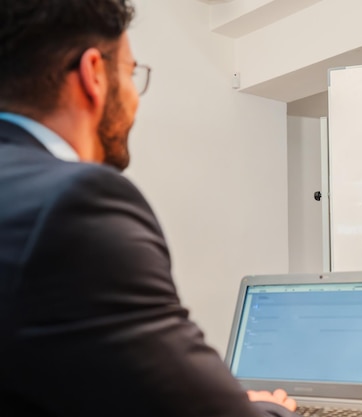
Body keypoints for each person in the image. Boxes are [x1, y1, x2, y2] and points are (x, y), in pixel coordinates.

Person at [0, 1, 300, 416]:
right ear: (94, 74)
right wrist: (274, 410)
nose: (135, 98)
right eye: (130, 73)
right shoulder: (73, 202)